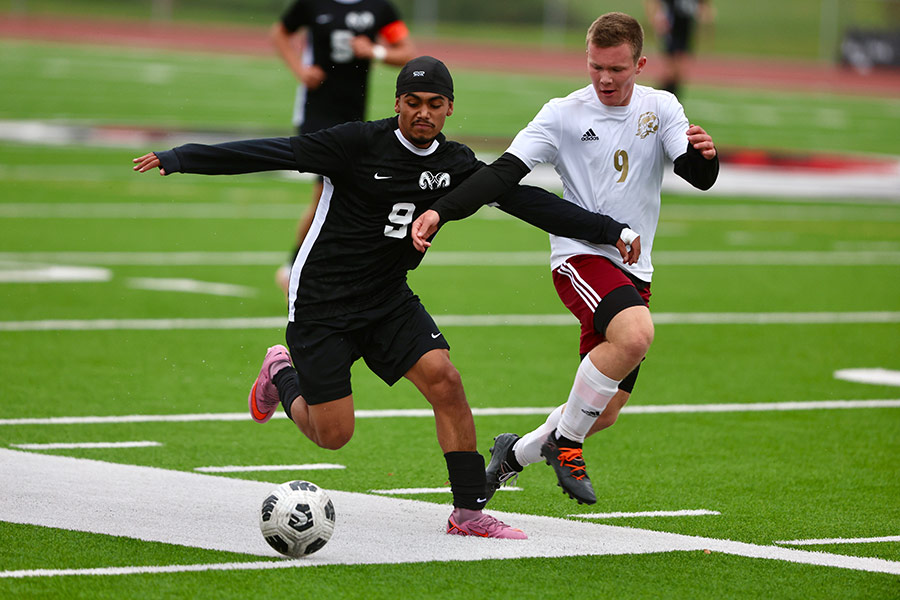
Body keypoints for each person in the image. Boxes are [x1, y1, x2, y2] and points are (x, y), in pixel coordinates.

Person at [133, 56, 638, 537]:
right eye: (413, 101)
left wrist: (608, 229)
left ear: (449, 109)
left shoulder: (454, 162)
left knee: (447, 381)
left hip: (387, 298)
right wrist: (182, 158)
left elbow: (526, 201)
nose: (423, 112)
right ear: (397, 103)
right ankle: (280, 372)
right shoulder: (356, 143)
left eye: (434, 104)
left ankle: (468, 512)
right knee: (333, 436)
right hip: (322, 303)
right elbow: (274, 151)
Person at [410, 13, 719, 505]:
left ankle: (513, 456)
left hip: (634, 268)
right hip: (580, 257)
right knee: (636, 334)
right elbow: (501, 175)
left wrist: (708, 157)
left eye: (618, 69)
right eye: (596, 66)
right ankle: (567, 444)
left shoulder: (661, 107)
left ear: (640, 64)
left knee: (606, 409)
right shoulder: (562, 113)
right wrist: (441, 212)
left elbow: (698, 175)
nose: (605, 79)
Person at [270, 0, 416, 295]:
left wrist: (374, 51)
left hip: (353, 117)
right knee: (325, 191)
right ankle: (298, 270)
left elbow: (407, 52)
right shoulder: (314, 4)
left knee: (337, 195)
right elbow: (279, 33)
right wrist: (300, 69)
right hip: (317, 113)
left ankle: (300, 268)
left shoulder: (378, 8)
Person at [644, 0, 713, 97]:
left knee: (680, 72)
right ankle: (656, 98)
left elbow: (703, 6)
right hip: (672, 31)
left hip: (686, 32)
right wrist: (656, 18)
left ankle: (670, 101)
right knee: (672, 71)